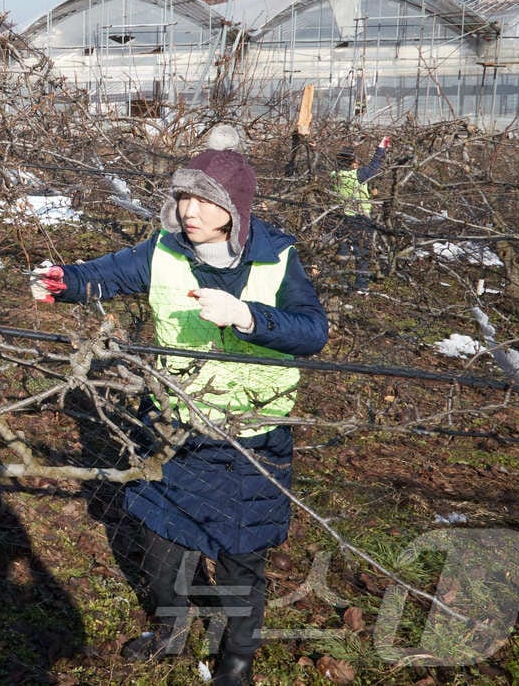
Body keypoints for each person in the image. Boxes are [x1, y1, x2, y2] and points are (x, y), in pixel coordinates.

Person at [30, 147, 327, 686]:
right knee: (160, 540)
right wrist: (63, 281)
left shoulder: (278, 259)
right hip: (173, 429)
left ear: (234, 209)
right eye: (183, 196)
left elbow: (312, 332)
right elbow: (106, 274)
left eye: (203, 199)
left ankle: (235, 664)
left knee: (240, 558)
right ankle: (171, 631)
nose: (189, 209)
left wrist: (248, 317)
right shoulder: (163, 252)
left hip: (248, 441)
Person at [331, 137, 389, 292]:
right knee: (362, 251)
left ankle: (341, 282)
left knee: (343, 250)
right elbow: (374, 166)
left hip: (342, 217)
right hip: (360, 218)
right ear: (352, 163)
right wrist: (381, 148)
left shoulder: (335, 175)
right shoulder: (357, 175)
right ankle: (361, 285)